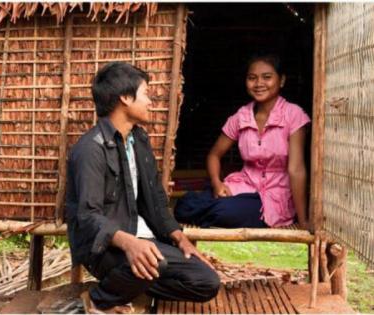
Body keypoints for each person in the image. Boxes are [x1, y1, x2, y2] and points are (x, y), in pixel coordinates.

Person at [66, 62, 220, 313]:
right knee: (152, 262)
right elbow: (88, 216)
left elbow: (156, 199)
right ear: (125, 98)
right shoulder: (90, 149)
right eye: (145, 93)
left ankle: (126, 286)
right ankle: (98, 300)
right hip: (103, 248)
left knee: (206, 282)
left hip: (142, 241)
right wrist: (130, 244)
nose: (150, 101)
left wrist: (180, 238)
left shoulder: (139, 139)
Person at [175, 53, 310, 230]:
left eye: (267, 77)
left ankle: (224, 211)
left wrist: (303, 220)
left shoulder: (294, 115)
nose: (259, 84)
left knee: (224, 211)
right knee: (184, 204)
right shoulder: (241, 116)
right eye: (252, 78)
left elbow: (296, 169)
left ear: (282, 80)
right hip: (242, 187)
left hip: (273, 198)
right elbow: (214, 155)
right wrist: (217, 183)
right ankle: (223, 209)